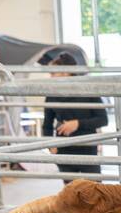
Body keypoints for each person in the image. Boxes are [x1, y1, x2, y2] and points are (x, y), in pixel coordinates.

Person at [41, 52, 109, 183]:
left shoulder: (88, 90)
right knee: (70, 193)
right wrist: (50, 145)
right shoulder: (51, 94)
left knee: (94, 190)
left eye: (53, 73)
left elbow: (103, 119)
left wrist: (77, 124)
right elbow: (47, 124)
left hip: (87, 148)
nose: (50, 77)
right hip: (64, 149)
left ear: (66, 73)